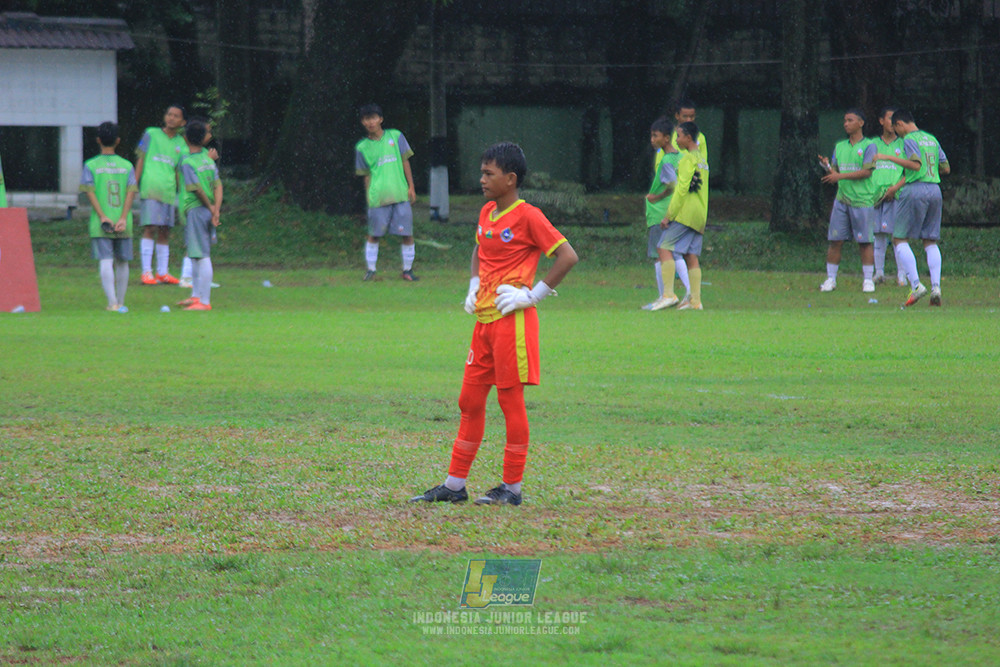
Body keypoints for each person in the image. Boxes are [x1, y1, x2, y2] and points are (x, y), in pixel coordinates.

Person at [410, 142, 578, 506]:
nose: (482, 180)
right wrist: (474, 284)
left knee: (509, 401)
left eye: (489, 174)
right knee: (469, 400)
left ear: (510, 179)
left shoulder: (529, 216)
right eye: (482, 173)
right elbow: (479, 248)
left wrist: (532, 295)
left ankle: (511, 489)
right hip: (484, 322)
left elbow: (568, 256)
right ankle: (454, 486)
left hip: (512, 323)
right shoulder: (487, 211)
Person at [875, 108, 950, 307]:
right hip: (934, 190)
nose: (897, 133)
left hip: (915, 190)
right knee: (930, 241)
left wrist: (888, 157)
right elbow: (945, 168)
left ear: (900, 124)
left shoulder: (909, 139)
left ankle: (916, 285)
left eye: (896, 128)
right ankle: (936, 287)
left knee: (899, 239)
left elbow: (915, 165)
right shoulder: (931, 139)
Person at [354, 103, 418, 281]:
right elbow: (366, 175)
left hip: (400, 194)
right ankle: (371, 270)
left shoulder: (395, 136)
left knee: (407, 233)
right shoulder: (362, 147)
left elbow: (405, 161)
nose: (370, 122)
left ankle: (407, 270)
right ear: (363, 122)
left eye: (373, 118)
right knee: (374, 234)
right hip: (378, 197)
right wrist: (369, 197)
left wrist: (411, 186)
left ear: (380, 119)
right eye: (367, 119)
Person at [79, 121, 138, 312]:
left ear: (98, 140)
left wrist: (103, 216)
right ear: (118, 141)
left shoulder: (91, 165)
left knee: (105, 259)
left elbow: (90, 192)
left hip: (101, 222)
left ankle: (112, 302)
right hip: (123, 220)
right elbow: (131, 192)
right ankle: (121, 302)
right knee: (122, 261)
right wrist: (123, 217)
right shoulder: (127, 166)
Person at [650, 122, 709, 311]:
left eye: (679, 136)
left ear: (688, 138)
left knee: (663, 247)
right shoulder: (702, 160)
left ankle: (668, 295)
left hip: (686, 213)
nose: (676, 140)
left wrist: (669, 215)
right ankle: (695, 301)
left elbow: (681, 189)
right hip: (700, 213)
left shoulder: (686, 160)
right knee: (691, 255)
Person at [817, 108, 877, 293]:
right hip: (842, 200)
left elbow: (867, 172)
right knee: (835, 240)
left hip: (862, 200)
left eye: (850, 120)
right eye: (845, 120)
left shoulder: (869, 146)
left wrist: (839, 176)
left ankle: (868, 280)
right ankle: (831, 279)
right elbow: (835, 173)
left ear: (861, 123)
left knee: (865, 241)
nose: (846, 124)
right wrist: (827, 166)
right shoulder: (840, 146)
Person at [174, 118, 222, 311]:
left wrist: (210, 207)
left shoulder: (187, 162)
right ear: (203, 138)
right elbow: (218, 186)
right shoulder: (208, 161)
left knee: (202, 256)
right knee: (195, 255)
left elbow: (196, 189)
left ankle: (204, 301)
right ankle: (196, 296)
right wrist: (216, 209)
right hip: (207, 210)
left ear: (186, 138)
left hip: (196, 209)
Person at [135, 104, 187, 285]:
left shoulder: (182, 143)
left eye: (176, 116)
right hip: (151, 187)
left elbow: (179, 171)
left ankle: (162, 272)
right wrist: (134, 183)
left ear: (183, 122)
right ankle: (146, 272)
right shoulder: (151, 134)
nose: (171, 118)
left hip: (168, 191)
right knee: (150, 227)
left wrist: (183, 193)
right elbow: (140, 159)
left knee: (165, 229)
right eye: (169, 114)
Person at [641, 116, 684, 309]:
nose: (652, 140)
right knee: (674, 254)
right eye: (651, 136)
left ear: (667, 138)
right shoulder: (679, 157)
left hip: (661, 213)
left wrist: (656, 197)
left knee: (661, 254)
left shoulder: (666, 160)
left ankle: (666, 295)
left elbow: (672, 185)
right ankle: (681, 295)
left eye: (655, 136)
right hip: (674, 211)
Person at [870, 106, 906, 286]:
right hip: (877, 197)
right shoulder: (872, 145)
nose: (892, 122)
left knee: (898, 235)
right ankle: (879, 273)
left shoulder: (903, 144)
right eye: (889, 118)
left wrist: (895, 188)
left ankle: (902, 275)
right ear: (881, 121)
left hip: (897, 195)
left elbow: (911, 171)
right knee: (878, 235)